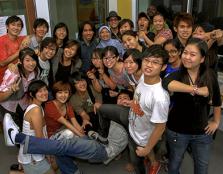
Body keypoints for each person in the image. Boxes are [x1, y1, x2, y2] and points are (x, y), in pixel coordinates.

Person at [98, 45, 170, 174]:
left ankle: (153, 163)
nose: (149, 65)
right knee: (102, 109)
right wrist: (132, 102)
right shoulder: (142, 78)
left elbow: (160, 127)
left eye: (155, 62)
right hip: (132, 121)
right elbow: (139, 95)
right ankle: (104, 137)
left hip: (141, 137)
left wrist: (147, 149)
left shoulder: (160, 97)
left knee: (137, 165)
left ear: (163, 67)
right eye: (147, 61)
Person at [3, 107, 128, 174]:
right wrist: (89, 130)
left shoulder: (125, 126)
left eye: (125, 99)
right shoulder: (107, 118)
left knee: (65, 145)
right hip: (92, 141)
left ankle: (17, 138)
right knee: (63, 144)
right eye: (121, 98)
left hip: (103, 149)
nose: (123, 101)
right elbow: (91, 126)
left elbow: (105, 140)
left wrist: (91, 132)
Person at [162, 38, 221, 174]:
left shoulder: (210, 75)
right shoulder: (176, 74)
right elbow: (166, 83)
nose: (187, 57)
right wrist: (196, 90)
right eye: (185, 53)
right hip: (177, 131)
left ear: (202, 59)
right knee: (174, 165)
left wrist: (216, 121)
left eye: (192, 54)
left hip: (202, 132)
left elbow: (217, 101)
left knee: (202, 167)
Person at [17, 80, 55, 174]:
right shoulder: (36, 110)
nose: (44, 93)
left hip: (31, 149)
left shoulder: (37, 107)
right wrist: (48, 154)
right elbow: (39, 138)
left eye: (45, 89)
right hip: (33, 156)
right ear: (32, 94)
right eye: (40, 91)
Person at [0, 15, 28, 83]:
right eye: (13, 25)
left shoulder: (20, 39)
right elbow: (2, 63)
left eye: (19, 25)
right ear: (7, 26)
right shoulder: (1, 41)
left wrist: (28, 38)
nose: (16, 27)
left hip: (19, 77)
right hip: (5, 80)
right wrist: (19, 51)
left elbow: (31, 36)